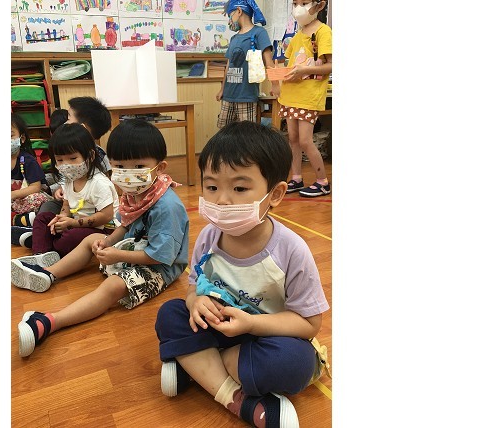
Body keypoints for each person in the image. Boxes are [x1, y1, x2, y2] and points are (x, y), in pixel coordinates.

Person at [154, 121, 329, 428]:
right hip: (218, 328)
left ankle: (198, 366)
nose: (221, 200)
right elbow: (193, 287)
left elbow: (309, 324)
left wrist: (251, 324)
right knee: (171, 313)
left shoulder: (291, 250)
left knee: (297, 363)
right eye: (212, 187)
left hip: (265, 337)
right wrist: (195, 302)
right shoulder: (209, 237)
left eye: (239, 188)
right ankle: (236, 399)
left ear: (275, 194)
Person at [12, 119, 190, 358]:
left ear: (160, 168)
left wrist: (117, 254)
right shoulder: (135, 192)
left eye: (138, 166)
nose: (128, 174)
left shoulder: (167, 207)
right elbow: (125, 225)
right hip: (134, 249)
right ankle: (48, 273)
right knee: (93, 239)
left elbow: (160, 256)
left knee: (114, 285)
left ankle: (50, 321)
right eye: (120, 166)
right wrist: (107, 242)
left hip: (160, 267)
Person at [12, 123, 119, 261]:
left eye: (73, 158)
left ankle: (42, 242)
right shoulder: (70, 180)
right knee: (43, 218)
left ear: (91, 156)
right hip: (74, 224)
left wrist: (72, 223)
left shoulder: (99, 183)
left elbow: (106, 216)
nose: (66, 165)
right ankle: (40, 254)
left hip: (103, 231)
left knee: (70, 238)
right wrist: (61, 217)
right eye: (60, 160)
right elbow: (66, 205)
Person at [278, 0, 332, 197]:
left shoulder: (323, 32)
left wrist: (304, 70)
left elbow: (330, 65)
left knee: (305, 140)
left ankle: (322, 182)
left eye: (304, 3)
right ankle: (296, 178)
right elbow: (290, 62)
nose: (298, 8)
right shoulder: (298, 35)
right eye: (295, 3)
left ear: (319, 6)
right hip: (291, 94)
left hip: (308, 96)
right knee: (292, 138)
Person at [216, 0, 279, 128]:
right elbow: (229, 65)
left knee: (247, 134)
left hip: (246, 96)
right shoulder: (234, 38)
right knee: (224, 132)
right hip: (228, 96)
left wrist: (275, 84)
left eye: (230, 15)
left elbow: (269, 61)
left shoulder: (259, 33)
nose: (229, 21)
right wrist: (222, 89)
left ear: (239, 11)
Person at [11, 113, 52, 231]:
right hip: (14, 202)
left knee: (36, 198)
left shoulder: (27, 160)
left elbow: (35, 187)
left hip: (30, 197)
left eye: (10, 135)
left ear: (22, 138)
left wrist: (13, 194)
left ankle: (22, 220)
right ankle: (20, 220)